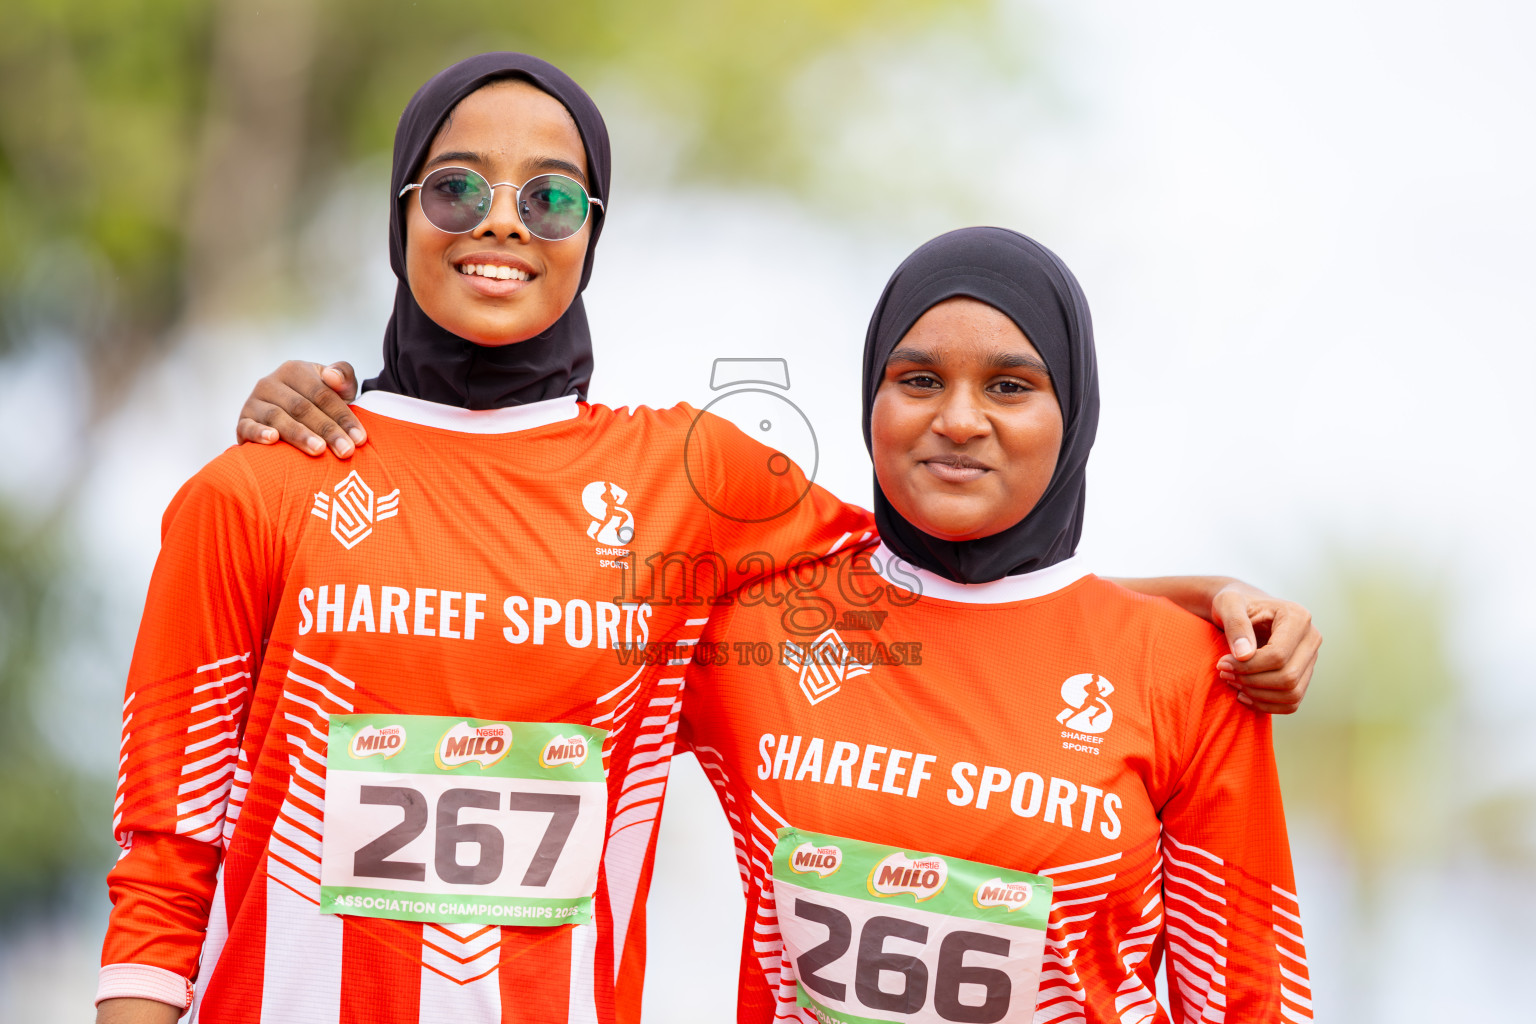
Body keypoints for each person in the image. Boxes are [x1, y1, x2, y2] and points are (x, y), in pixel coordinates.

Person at [105, 51, 1318, 1024]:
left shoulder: (696, 480)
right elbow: (163, 857)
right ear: (402, 209)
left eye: (551, 195)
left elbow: (940, 574)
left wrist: (1198, 603)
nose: (503, 223)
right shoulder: (261, 487)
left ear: (594, 227)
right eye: (458, 186)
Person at [679, 227, 1311, 1023]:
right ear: (870, 396)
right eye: (918, 379)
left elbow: (1247, 998)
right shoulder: (752, 632)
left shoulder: (1193, 672)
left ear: (1073, 412)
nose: (960, 419)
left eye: (1010, 386)